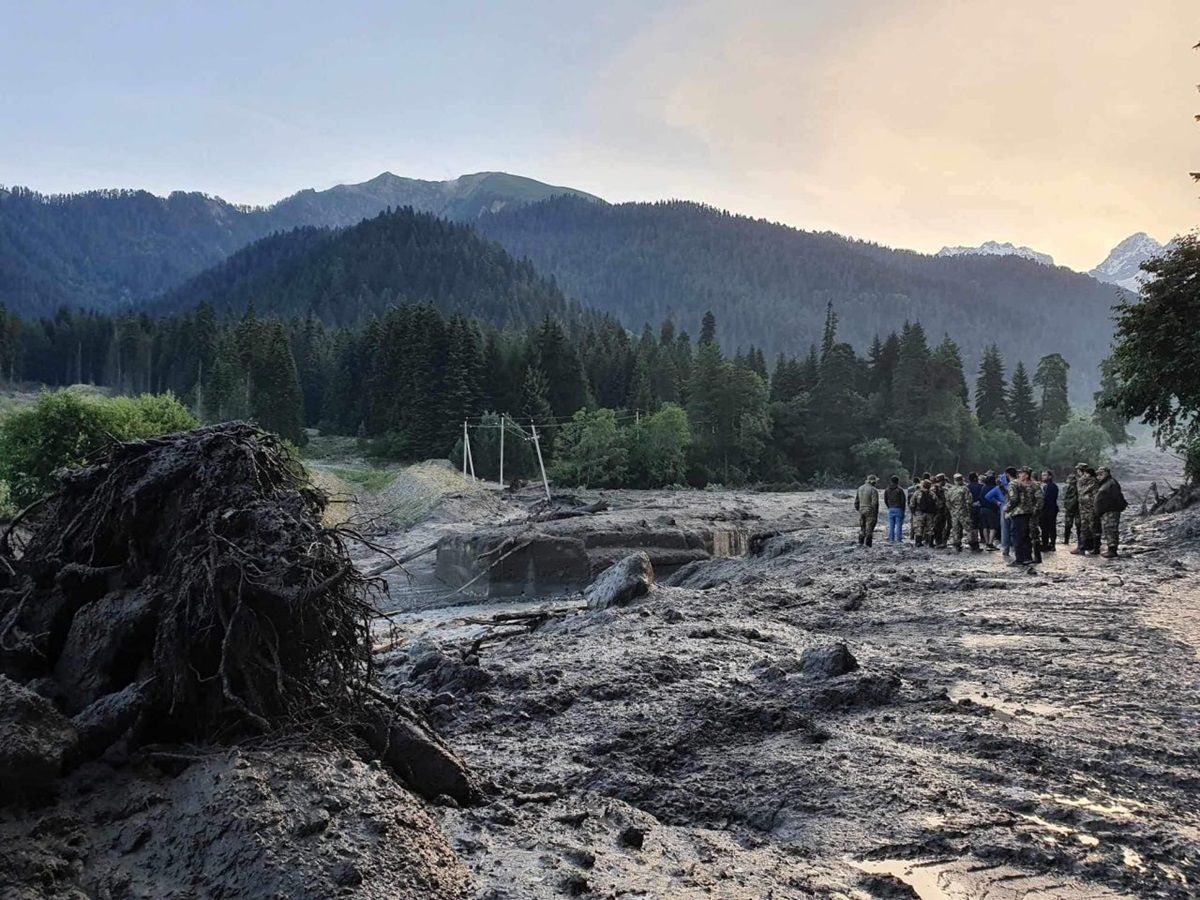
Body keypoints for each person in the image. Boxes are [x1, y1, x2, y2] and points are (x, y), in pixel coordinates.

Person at [1005, 466, 1038, 566]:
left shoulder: (1014, 484)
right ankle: (1027, 557)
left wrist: (1007, 508)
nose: (1019, 474)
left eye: (1021, 473)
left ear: (1026, 475)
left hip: (1018, 512)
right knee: (1025, 536)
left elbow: (1014, 499)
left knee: (1017, 536)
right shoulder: (1033, 485)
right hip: (1028, 512)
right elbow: (1038, 499)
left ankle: (1019, 559)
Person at [1094, 466, 1128, 558]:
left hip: (1111, 511)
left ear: (1107, 473)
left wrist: (1110, 508)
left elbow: (1115, 498)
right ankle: (1111, 549)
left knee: (1111, 529)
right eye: (1098, 475)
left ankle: (1112, 550)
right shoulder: (1106, 483)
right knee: (1108, 530)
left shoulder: (1111, 483)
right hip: (1106, 511)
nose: (1099, 476)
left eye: (1101, 474)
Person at [1072, 464, 1099, 556]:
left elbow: (1092, 494)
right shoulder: (1085, 481)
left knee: (1091, 528)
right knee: (1085, 528)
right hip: (1084, 508)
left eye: (1079, 471)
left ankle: (1093, 548)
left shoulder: (1091, 481)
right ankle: (1083, 547)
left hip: (1090, 508)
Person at [945, 474, 972, 552]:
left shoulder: (950, 490)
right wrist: (969, 511)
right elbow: (969, 501)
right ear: (961, 480)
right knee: (969, 528)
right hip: (964, 512)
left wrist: (951, 510)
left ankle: (956, 546)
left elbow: (947, 502)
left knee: (956, 529)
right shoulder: (965, 489)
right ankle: (973, 545)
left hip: (954, 513)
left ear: (954, 480)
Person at [854, 474, 880, 546]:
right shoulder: (873, 490)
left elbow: (856, 502)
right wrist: (875, 512)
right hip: (870, 511)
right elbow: (875, 503)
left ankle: (860, 542)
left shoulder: (860, 488)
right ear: (873, 482)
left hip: (861, 509)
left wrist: (859, 509)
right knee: (869, 528)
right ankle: (868, 545)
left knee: (862, 527)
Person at [911, 478, 938, 547]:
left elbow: (912, 503)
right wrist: (934, 513)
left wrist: (913, 512)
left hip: (919, 513)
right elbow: (936, 503)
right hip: (930, 514)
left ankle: (918, 542)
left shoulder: (917, 493)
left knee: (919, 528)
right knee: (930, 528)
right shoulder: (932, 494)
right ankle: (930, 543)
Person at [982, 473, 1004, 550]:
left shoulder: (983, 487)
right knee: (993, 527)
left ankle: (986, 542)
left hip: (982, 509)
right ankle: (990, 544)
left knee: (985, 527)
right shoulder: (995, 488)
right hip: (991, 510)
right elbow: (999, 499)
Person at [999, 466, 1017, 557]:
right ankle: (1015, 548)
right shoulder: (1019, 483)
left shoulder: (1011, 484)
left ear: (1007, 474)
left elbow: (1010, 497)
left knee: (1005, 529)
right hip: (1017, 509)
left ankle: (1006, 549)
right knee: (1015, 529)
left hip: (1007, 508)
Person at [1039, 470, 1059, 552]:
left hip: (1050, 510)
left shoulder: (1052, 486)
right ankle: (1045, 544)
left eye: (1044, 475)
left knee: (1051, 528)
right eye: (1042, 475)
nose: (1042, 477)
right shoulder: (1044, 486)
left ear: (1050, 476)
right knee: (1044, 528)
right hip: (1045, 510)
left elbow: (1049, 499)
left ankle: (1051, 544)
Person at [884, 475, 907, 542]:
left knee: (891, 525)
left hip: (891, 508)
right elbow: (903, 501)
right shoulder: (900, 489)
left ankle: (891, 539)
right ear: (898, 481)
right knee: (899, 525)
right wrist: (903, 510)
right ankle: (899, 539)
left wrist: (889, 506)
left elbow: (885, 500)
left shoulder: (887, 489)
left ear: (891, 481)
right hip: (899, 508)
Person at [966, 472, 984, 551]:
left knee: (973, 525)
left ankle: (972, 541)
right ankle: (983, 538)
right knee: (981, 524)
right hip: (980, 507)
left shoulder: (967, 487)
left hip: (971, 508)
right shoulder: (982, 486)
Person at [932, 474, 950, 549]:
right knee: (939, 526)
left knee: (939, 526)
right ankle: (940, 541)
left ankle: (939, 541)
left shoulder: (934, 488)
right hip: (941, 510)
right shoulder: (944, 488)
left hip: (939, 510)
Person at [1062, 473, 1079, 547]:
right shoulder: (1069, 487)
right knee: (1070, 525)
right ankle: (1066, 540)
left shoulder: (1075, 487)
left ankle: (1067, 540)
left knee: (1076, 525)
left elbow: (1071, 499)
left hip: (1074, 508)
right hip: (1071, 508)